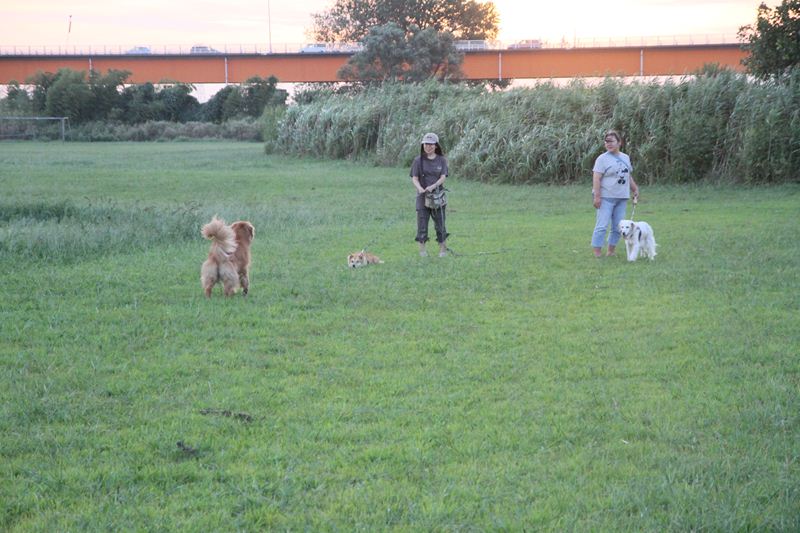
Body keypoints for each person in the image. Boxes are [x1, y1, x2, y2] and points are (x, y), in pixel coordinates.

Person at [591, 130, 639, 257]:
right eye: (606, 141)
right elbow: (596, 178)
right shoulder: (602, 159)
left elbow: (628, 176)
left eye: (611, 141)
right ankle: (597, 253)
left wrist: (635, 189)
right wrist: (597, 196)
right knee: (602, 226)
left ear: (619, 142)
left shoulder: (625, 157)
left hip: (622, 197)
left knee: (618, 227)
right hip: (606, 197)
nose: (608, 144)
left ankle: (611, 251)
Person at [411, 132, 449, 257]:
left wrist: (433, 186)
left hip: (438, 197)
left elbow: (443, 177)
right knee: (422, 224)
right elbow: (414, 178)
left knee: (440, 224)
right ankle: (422, 251)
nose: (428, 146)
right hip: (422, 198)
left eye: (431, 144)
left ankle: (442, 250)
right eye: (426, 144)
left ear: (436, 145)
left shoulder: (441, 160)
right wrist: (420, 188)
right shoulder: (418, 161)